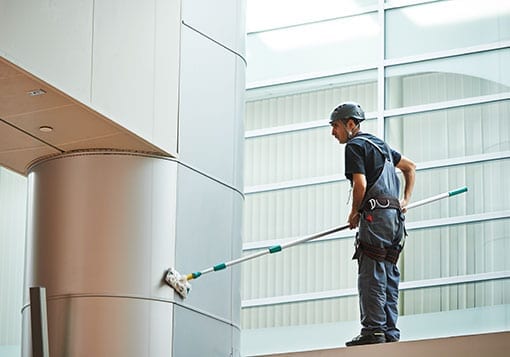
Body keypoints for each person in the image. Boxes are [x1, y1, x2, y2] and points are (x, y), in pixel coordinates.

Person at [330, 102, 416, 346]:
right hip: (395, 221)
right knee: (388, 272)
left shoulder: (355, 146)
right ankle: (389, 331)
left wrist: (354, 212)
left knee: (372, 272)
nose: (333, 132)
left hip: (375, 218)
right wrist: (404, 201)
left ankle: (373, 331)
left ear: (350, 124)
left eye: (335, 126)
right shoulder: (382, 146)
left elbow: (360, 185)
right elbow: (410, 168)